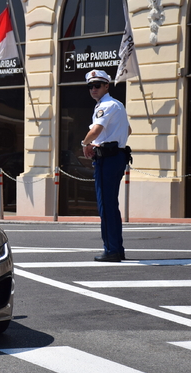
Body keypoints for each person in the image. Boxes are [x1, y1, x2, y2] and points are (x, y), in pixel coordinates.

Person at [81, 70, 132, 262]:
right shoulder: (117, 105)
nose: (93, 89)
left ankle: (111, 250)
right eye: (90, 86)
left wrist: (85, 143)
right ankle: (116, 248)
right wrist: (110, 140)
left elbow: (96, 130)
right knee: (111, 205)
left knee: (106, 206)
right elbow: (128, 130)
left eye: (97, 85)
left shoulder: (106, 105)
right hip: (116, 156)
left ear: (106, 86)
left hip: (108, 159)